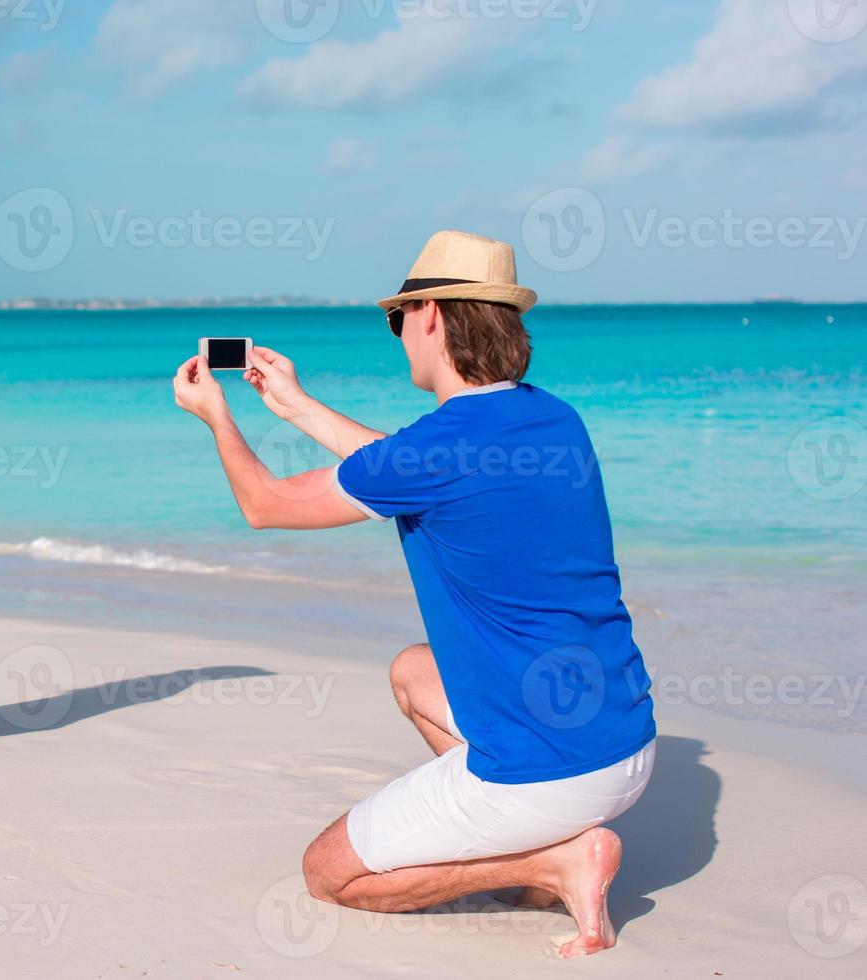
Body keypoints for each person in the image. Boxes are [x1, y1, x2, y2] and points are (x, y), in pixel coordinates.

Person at [171, 230, 656, 957]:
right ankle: (541, 850)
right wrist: (296, 406)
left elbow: (265, 504)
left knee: (327, 875)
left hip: (548, 771)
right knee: (411, 669)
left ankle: (550, 861)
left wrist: (217, 416)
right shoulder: (550, 417)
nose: (397, 334)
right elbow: (404, 470)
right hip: (626, 745)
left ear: (428, 314)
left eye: (396, 318)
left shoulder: (434, 450)